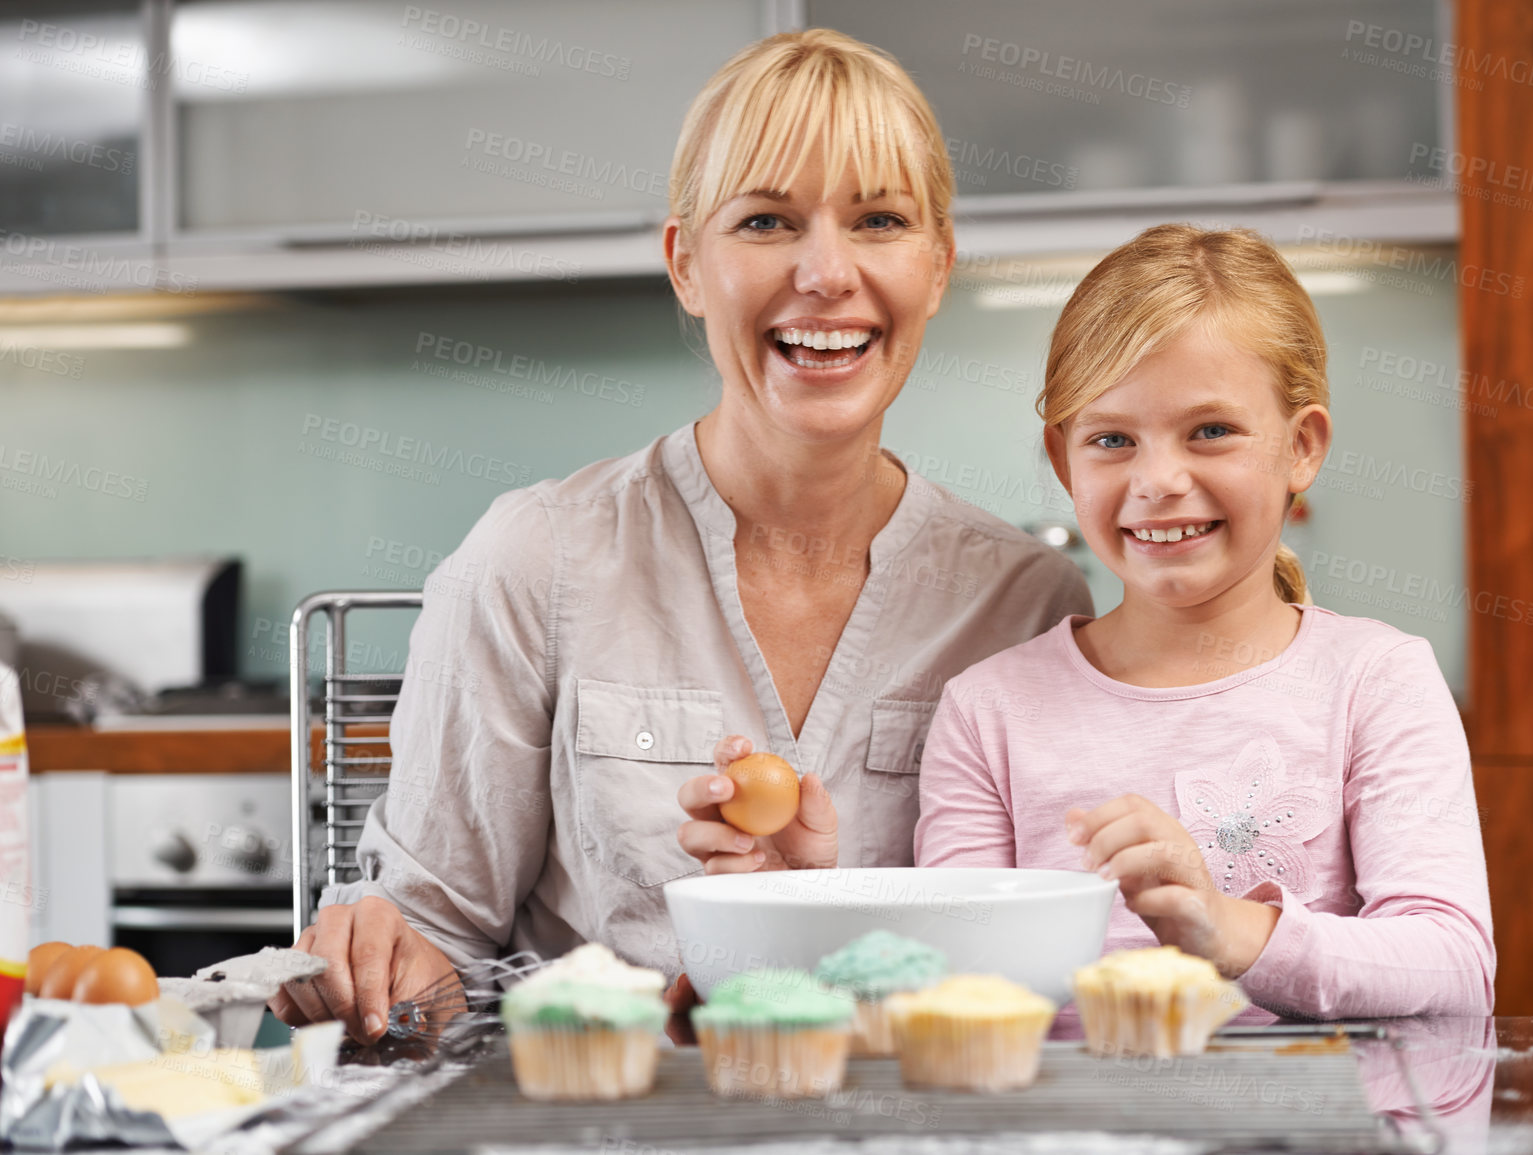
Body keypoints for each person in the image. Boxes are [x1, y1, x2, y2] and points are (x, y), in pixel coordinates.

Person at [268, 29, 1092, 1044]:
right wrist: (372, 979)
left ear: (936, 266)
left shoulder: (1029, 606)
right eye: (765, 221)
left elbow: (1038, 987)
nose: (828, 272)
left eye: (879, 219)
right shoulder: (534, 561)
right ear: (687, 267)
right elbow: (438, 952)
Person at [914, 225, 1495, 1023]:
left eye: (1210, 431)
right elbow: (960, 987)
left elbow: (1451, 962)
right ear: (1063, 462)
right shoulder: (986, 712)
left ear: (1301, 446)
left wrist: (1225, 927)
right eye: (1111, 439)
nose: (1157, 480)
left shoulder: (1375, 680)